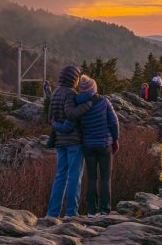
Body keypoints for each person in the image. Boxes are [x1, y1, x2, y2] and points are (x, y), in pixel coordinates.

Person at [45, 66, 95, 219]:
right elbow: (71, 114)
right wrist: (87, 105)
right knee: (74, 177)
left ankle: (52, 214)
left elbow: (50, 118)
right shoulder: (70, 94)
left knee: (60, 176)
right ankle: (71, 213)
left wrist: (56, 126)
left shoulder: (55, 93)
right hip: (74, 141)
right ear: (73, 79)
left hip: (60, 141)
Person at [67, 75, 120, 217]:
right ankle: (104, 210)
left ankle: (91, 211)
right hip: (105, 144)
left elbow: (76, 124)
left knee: (91, 178)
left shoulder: (78, 103)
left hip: (88, 145)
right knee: (105, 178)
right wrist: (115, 139)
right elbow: (114, 122)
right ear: (94, 88)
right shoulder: (104, 102)